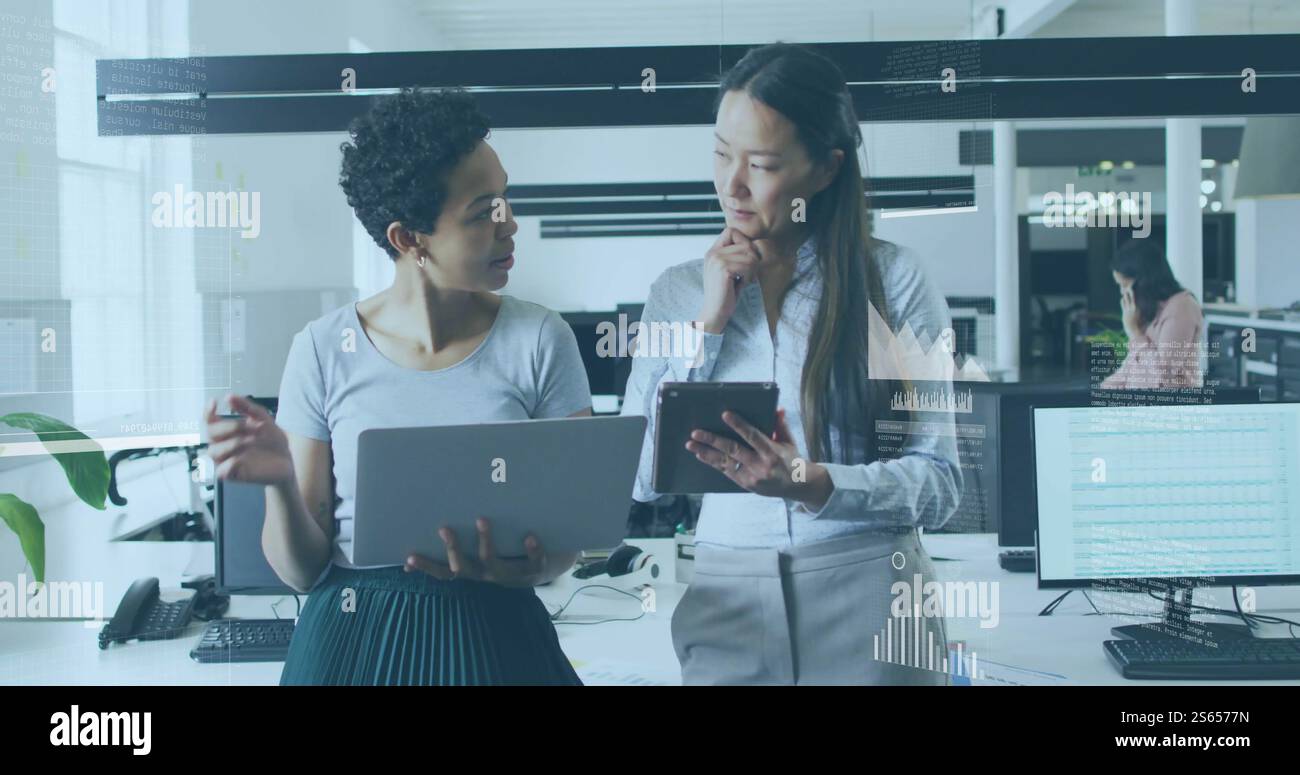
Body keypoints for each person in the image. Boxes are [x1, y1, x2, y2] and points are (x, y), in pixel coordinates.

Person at [204, 88, 592, 685]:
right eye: (482, 210)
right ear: (409, 240)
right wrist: (280, 481)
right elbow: (303, 573)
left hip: (495, 638)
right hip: (351, 644)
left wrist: (518, 566)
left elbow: (565, 549)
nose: (509, 222)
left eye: (505, 197)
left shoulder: (541, 339)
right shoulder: (320, 348)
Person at [620, 43, 962, 685]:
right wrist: (708, 327)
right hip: (728, 599)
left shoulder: (893, 281)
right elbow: (637, 478)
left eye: (763, 164)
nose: (732, 185)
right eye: (722, 154)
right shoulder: (677, 292)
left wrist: (812, 481)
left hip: (873, 594)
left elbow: (941, 486)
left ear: (826, 169)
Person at [1100, 239, 1204, 389]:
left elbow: (1161, 376)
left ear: (1144, 281)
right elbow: (1129, 371)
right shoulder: (1153, 309)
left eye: (1125, 286)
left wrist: (1134, 332)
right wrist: (1094, 398)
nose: (1123, 294)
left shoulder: (1182, 307)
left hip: (1168, 408)